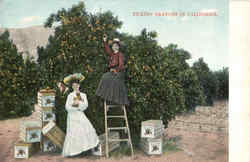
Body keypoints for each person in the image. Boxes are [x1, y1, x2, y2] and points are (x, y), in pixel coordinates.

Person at [62, 75, 99, 157]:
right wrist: (73, 105)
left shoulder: (83, 95)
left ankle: (85, 149)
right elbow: (67, 107)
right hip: (72, 116)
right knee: (74, 131)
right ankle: (74, 151)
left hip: (80, 114)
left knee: (85, 128)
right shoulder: (70, 95)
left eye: (77, 85)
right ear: (72, 86)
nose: (76, 86)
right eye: (74, 85)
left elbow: (85, 105)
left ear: (79, 85)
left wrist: (78, 104)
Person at [95, 35, 129, 105]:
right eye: (113, 46)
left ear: (118, 47)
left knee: (113, 80)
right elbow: (108, 51)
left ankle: (113, 98)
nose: (115, 47)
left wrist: (115, 70)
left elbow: (121, 65)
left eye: (116, 46)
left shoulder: (120, 54)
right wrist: (105, 42)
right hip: (113, 71)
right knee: (105, 77)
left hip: (119, 72)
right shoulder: (112, 54)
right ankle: (106, 96)